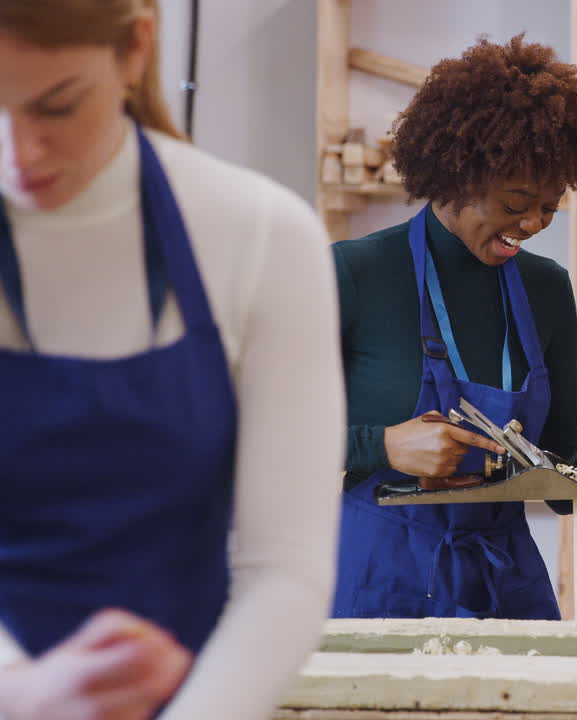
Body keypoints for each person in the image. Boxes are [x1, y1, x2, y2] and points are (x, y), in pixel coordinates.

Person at [0, 1, 345, 718]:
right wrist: (23, 696)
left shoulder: (262, 236)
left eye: (56, 106)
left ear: (135, 51)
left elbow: (282, 572)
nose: (19, 152)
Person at [332, 35, 577, 621]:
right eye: (514, 203)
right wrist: (384, 444)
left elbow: (559, 472)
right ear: (454, 175)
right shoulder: (355, 273)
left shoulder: (546, 287)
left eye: (549, 206)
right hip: (383, 579)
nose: (531, 224)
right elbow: (263, 432)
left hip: (507, 580)